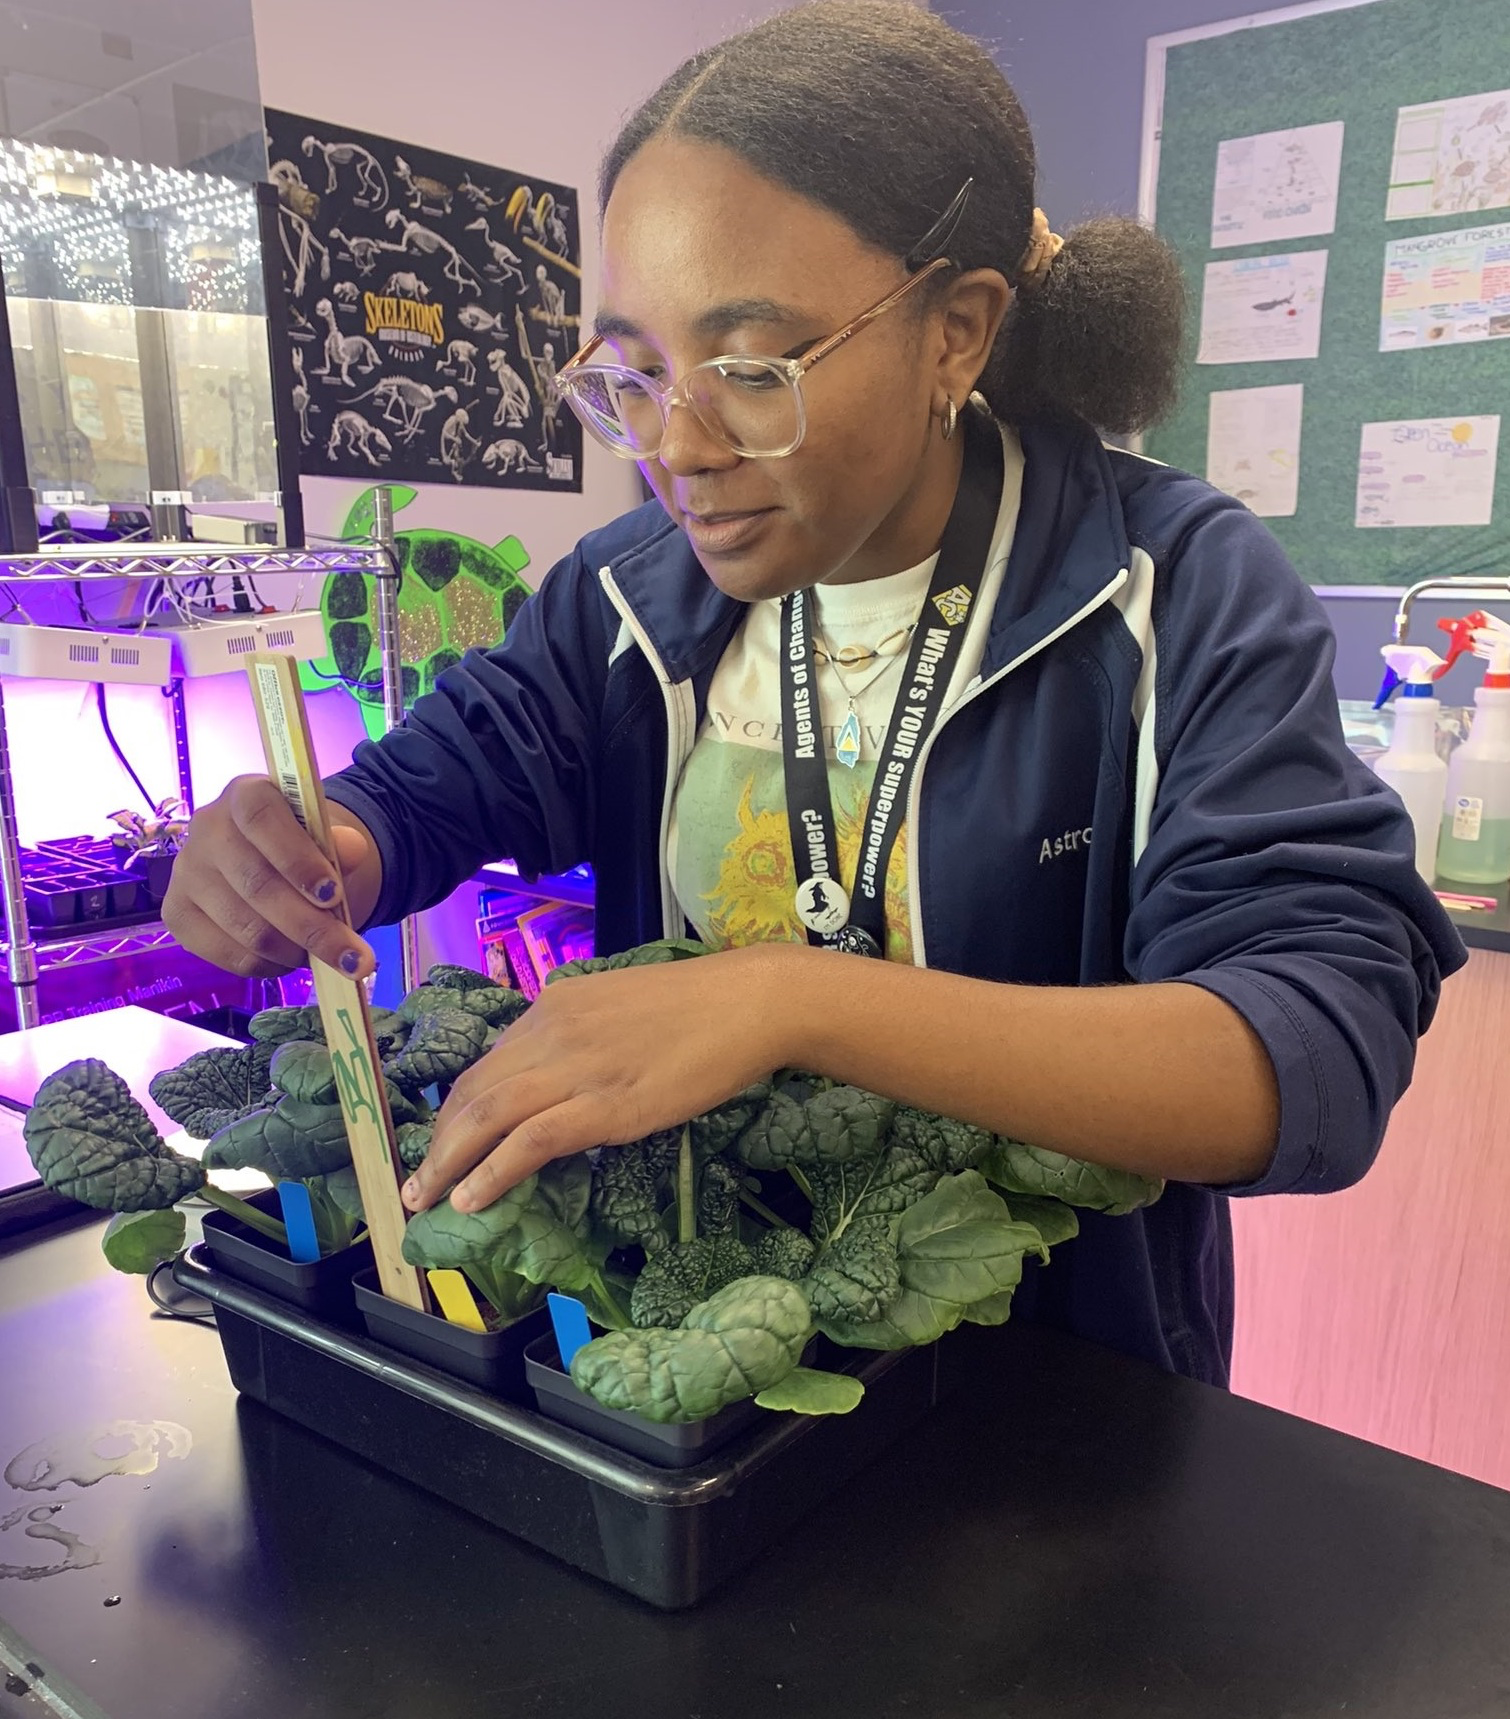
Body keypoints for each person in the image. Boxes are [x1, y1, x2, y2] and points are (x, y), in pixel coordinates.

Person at [164, 1, 1462, 1387]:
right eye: (635, 372)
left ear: (955, 333)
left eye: (749, 370)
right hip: (697, 1385)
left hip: (1052, 1415)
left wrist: (790, 999)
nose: (675, 447)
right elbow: (431, 783)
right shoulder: (629, 595)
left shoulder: (1171, 590)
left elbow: (1307, 1053)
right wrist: (317, 853)